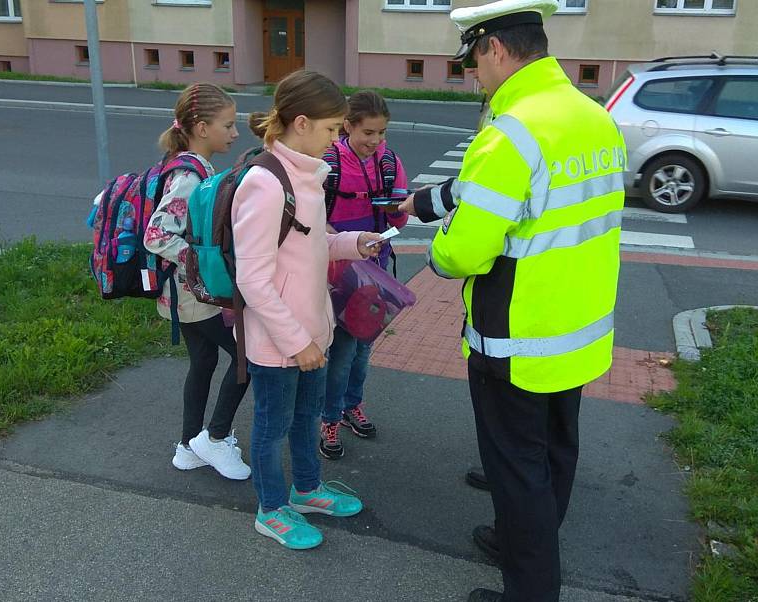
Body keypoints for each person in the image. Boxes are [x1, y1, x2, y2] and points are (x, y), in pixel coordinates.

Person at [399, 1, 627, 600]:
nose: (475, 75)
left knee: (516, 466)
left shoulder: (510, 132)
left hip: (517, 335)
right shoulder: (590, 116)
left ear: (495, 49)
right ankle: (532, 535)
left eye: (474, 61)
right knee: (556, 445)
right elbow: (518, 196)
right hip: (578, 323)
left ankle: (529, 582)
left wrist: (434, 246)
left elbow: (464, 255)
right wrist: (425, 203)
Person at [232, 70, 384, 550]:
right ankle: (271, 510)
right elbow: (252, 279)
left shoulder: (307, 177)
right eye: (332, 128)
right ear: (301, 123)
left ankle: (306, 490)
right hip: (280, 342)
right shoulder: (266, 182)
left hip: (313, 330)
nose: (336, 137)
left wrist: (353, 243)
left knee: (306, 417)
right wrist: (295, 342)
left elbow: (309, 246)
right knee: (273, 426)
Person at [144, 82, 251, 481]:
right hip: (194, 295)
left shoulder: (194, 166)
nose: (236, 132)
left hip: (185, 295)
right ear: (202, 128)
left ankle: (189, 446)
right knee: (250, 357)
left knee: (205, 362)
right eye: (228, 124)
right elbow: (156, 235)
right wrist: (202, 261)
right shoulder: (189, 175)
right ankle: (216, 438)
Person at [319, 91, 409, 459]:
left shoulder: (389, 161)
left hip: (377, 267)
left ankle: (352, 404)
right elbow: (313, 220)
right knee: (342, 349)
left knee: (364, 346)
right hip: (340, 272)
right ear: (347, 126)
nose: (374, 141)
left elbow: (399, 213)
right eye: (367, 132)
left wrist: (397, 209)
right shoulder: (328, 162)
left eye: (381, 133)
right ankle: (329, 417)